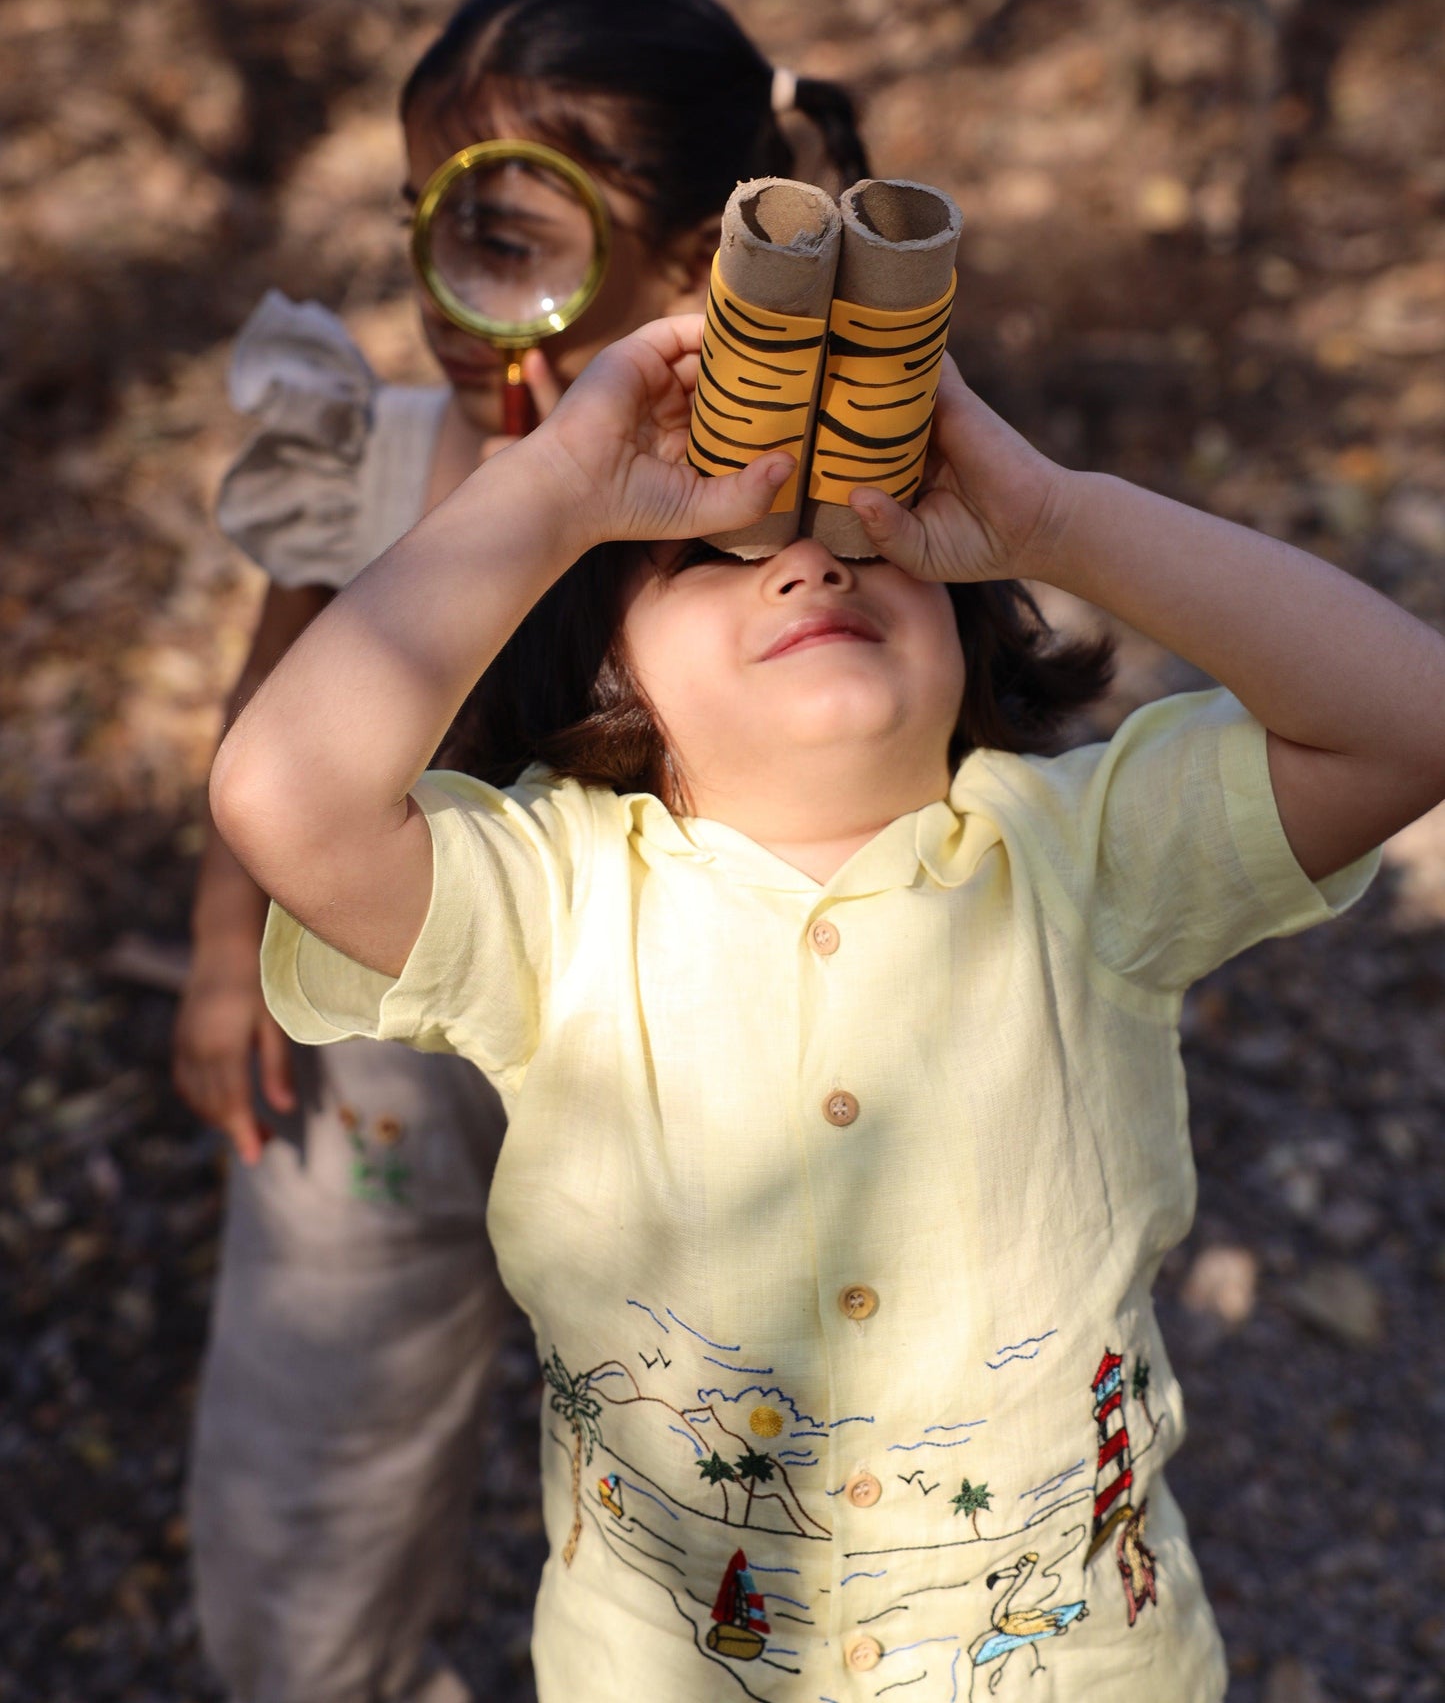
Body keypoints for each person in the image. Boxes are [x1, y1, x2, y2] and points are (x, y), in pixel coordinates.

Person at [208, 262, 1445, 1703]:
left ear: (973, 622)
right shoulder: (555, 901)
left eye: (870, 547)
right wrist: (554, 490)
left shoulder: (1087, 861)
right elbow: (281, 794)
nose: (808, 566)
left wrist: (1057, 517)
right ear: (604, 683)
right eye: (711, 562)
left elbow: (1406, 721)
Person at [174, 0, 869, 1703]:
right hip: (390, 1074)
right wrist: (214, 962)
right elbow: (270, 709)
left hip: (684, 1102)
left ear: (698, 265)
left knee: (720, 1511)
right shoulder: (382, 461)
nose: (446, 303)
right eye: (431, 233)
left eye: (508, 243)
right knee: (301, 1479)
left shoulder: (792, 505)